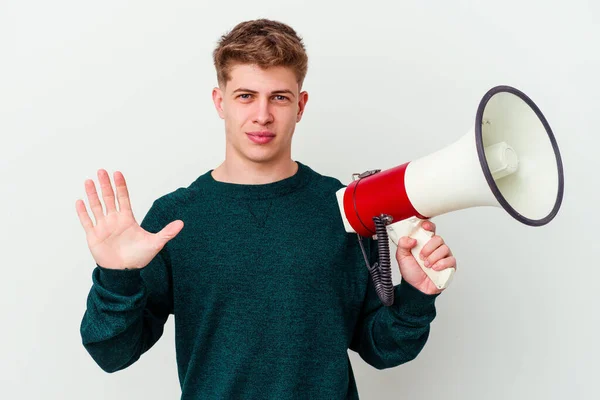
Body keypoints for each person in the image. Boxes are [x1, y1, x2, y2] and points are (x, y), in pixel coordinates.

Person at [76, 18, 457, 399]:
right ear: (219, 101)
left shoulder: (345, 208)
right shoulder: (175, 218)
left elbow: (382, 348)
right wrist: (116, 278)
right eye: (245, 96)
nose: (262, 115)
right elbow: (112, 355)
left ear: (300, 105)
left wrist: (416, 296)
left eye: (279, 97)